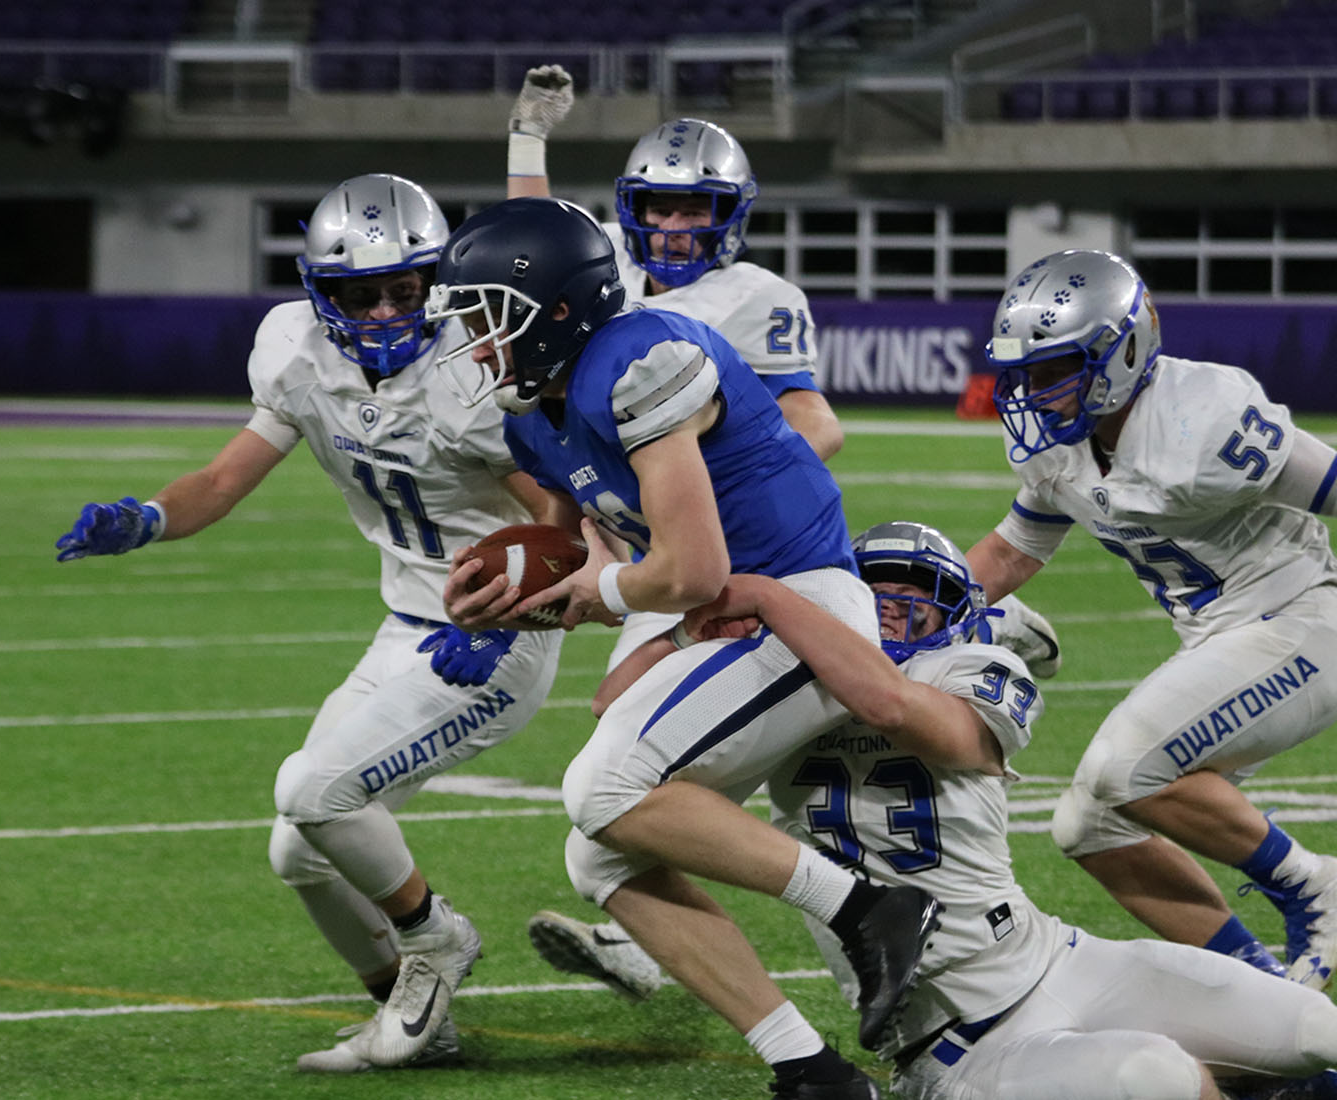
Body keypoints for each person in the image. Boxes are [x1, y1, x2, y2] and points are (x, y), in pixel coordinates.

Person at [505, 64, 1061, 997]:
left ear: (731, 215)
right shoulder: (594, 281)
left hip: (734, 556)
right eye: (662, 208)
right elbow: (522, 248)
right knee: (633, 760)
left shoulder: (755, 296)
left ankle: (964, 653)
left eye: (697, 209)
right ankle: (679, 939)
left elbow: (813, 424)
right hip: (657, 563)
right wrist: (527, 143)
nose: (676, 227)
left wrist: (697, 488)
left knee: (661, 769)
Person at [428, 195, 939, 1100]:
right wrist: (515, 597)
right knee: (600, 853)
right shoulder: (534, 412)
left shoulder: (639, 359)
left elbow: (692, 567)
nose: (472, 340)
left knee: (601, 788)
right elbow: (609, 556)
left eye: (485, 317)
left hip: (800, 606)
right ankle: (808, 1069)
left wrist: (602, 593)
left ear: (555, 310)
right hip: (718, 622)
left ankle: (871, 909)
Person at [54, 173, 564, 1073]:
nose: (384, 309)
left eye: (405, 289)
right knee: (300, 848)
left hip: (492, 639)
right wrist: (149, 517)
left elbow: (567, 523)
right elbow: (221, 480)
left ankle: (436, 943)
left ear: (436, 281)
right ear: (317, 292)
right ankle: (421, 1016)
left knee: (313, 791)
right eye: (360, 293)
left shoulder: (477, 370)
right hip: (405, 624)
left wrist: (509, 615)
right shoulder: (293, 349)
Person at [689, 520, 1337, 1100]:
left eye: (912, 602)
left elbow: (917, 720)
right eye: (876, 598)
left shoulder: (975, 668)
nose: (891, 613)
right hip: (954, 1039)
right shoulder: (784, 703)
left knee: (1318, 1028)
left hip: (1058, 960)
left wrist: (779, 616)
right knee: (1157, 1078)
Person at [964, 248, 1337, 991]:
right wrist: (910, 609)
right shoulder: (1059, 444)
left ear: (1122, 352)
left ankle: (1314, 885)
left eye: (1052, 370)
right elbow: (1013, 550)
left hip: (1300, 619)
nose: (1032, 393)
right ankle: (1257, 994)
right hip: (1219, 637)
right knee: (1086, 825)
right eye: (1023, 373)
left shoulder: (1204, 422)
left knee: (1126, 769)